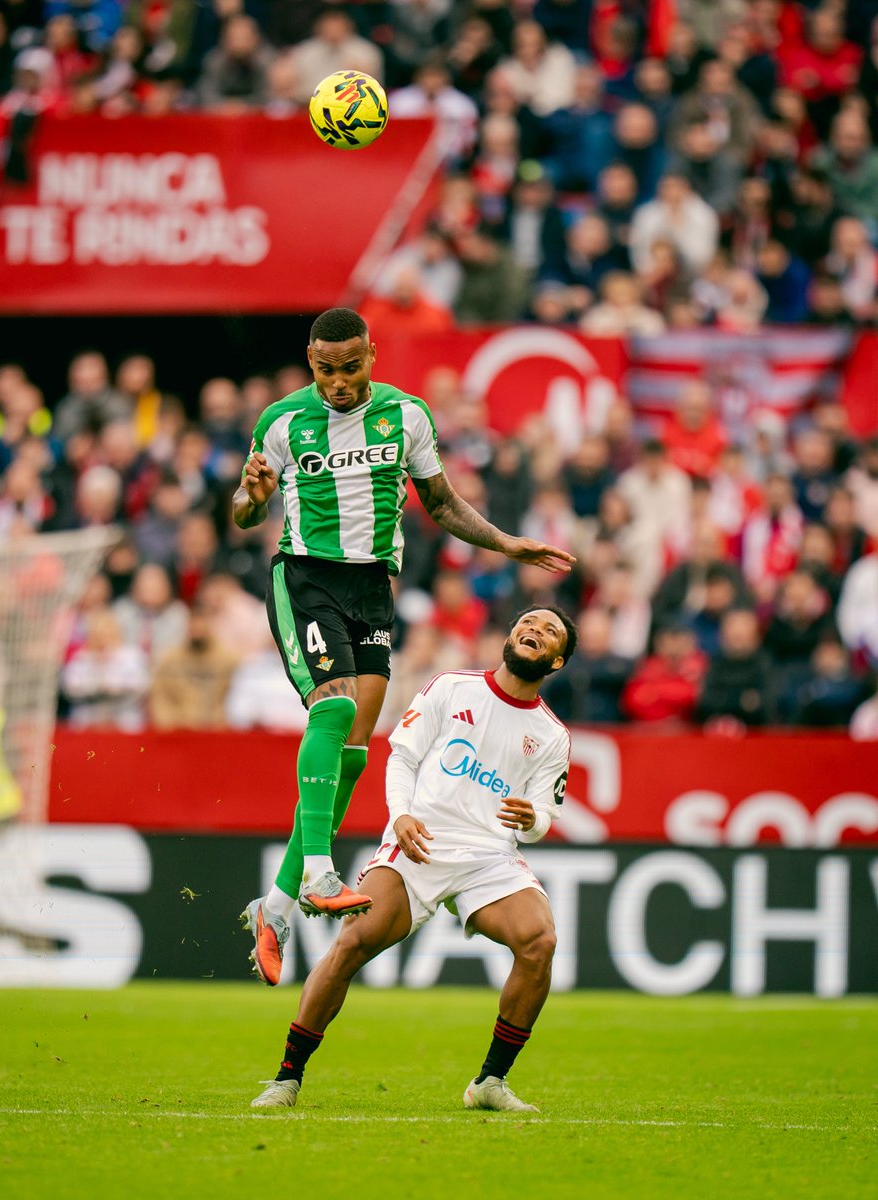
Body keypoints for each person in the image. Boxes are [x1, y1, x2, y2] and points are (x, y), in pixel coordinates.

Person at [233, 308, 575, 986]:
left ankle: (273, 907)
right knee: (332, 710)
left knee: (356, 751)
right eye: (324, 370)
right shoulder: (280, 421)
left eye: (349, 368)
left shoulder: (407, 416)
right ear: (310, 361)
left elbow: (441, 504)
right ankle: (319, 873)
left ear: (371, 356)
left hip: (371, 590)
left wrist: (506, 543)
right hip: (306, 577)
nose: (337, 382)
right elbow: (245, 511)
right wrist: (251, 497)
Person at [250, 605, 576, 1112]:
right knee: (352, 943)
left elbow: (543, 818)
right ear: (509, 636)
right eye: (527, 623)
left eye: (550, 631)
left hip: (489, 856)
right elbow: (402, 756)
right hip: (419, 842)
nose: (535, 630)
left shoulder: (553, 736)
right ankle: (287, 1078)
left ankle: (490, 1082)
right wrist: (400, 814)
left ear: (557, 661)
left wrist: (531, 818)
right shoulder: (452, 687)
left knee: (541, 942)